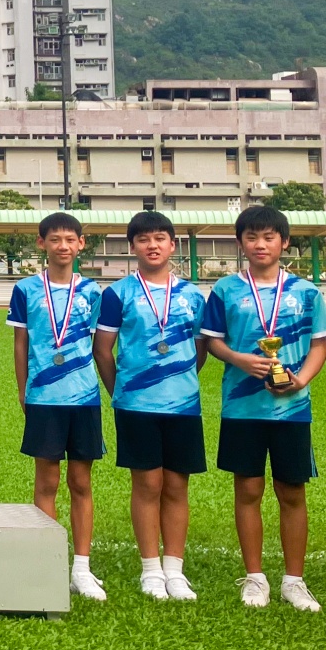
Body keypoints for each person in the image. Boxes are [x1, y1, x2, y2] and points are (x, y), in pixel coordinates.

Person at [199, 203, 326, 611]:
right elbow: (212, 340)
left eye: (269, 237)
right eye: (252, 237)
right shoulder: (225, 290)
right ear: (241, 243)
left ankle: (294, 580)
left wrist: (301, 380)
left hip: (292, 409)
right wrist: (238, 359)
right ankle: (255, 578)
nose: (260, 244)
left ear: (284, 242)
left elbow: (320, 345)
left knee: (292, 490)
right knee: (248, 489)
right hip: (242, 409)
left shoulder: (306, 292)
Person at [94, 209, 208, 602]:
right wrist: (121, 392)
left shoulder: (193, 295)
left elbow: (200, 349)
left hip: (183, 405)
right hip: (135, 405)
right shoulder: (118, 294)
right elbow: (103, 351)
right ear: (132, 247)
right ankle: (150, 569)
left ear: (173, 245)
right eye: (143, 239)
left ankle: (174, 570)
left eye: (160, 238)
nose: (152, 245)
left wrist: (178, 380)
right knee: (147, 484)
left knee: (176, 485)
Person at [7, 212, 109, 602]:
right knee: (46, 481)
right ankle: (47, 563)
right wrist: (23, 391)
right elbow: (20, 344)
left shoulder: (94, 292)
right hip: (43, 398)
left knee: (81, 482)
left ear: (81, 244)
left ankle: (81, 568)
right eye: (55, 239)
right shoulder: (26, 290)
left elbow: (100, 346)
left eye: (69, 239)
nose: (62, 246)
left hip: (84, 398)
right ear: (42, 244)